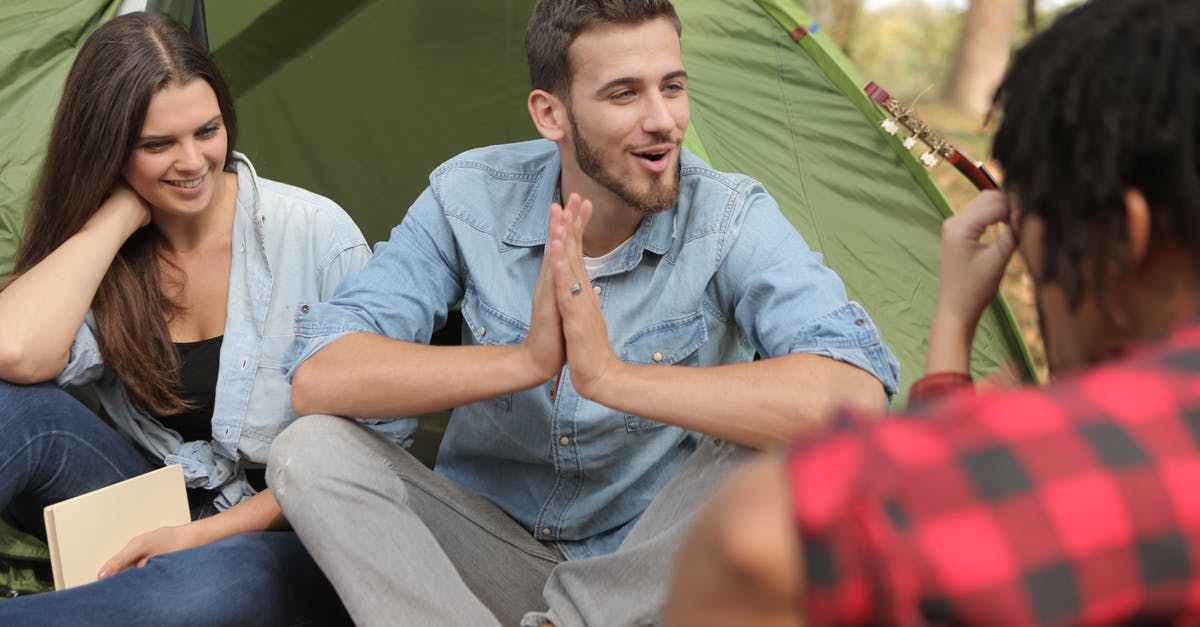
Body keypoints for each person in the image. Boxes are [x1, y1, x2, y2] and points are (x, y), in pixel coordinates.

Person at [265, 0, 900, 625]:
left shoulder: (729, 218)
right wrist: (523, 360)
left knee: (789, 440)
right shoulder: (469, 197)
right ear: (551, 113)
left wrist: (610, 377)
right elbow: (323, 375)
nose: (663, 120)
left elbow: (854, 398)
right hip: (483, 553)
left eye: (672, 87)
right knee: (309, 448)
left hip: (644, 578)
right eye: (624, 94)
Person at [665, 0, 1200, 624]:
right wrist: (950, 330)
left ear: (1119, 238)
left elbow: (751, 542)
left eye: (1036, 239)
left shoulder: (1132, 458)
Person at [0, 12, 411, 625]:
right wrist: (114, 218)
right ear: (109, 151)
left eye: (207, 130)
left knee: (200, 592)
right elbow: (13, 353)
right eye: (157, 144)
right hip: (160, 501)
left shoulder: (315, 234)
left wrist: (197, 539)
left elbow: (381, 450)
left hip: (297, 529)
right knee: (11, 407)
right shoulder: (112, 253)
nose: (193, 162)